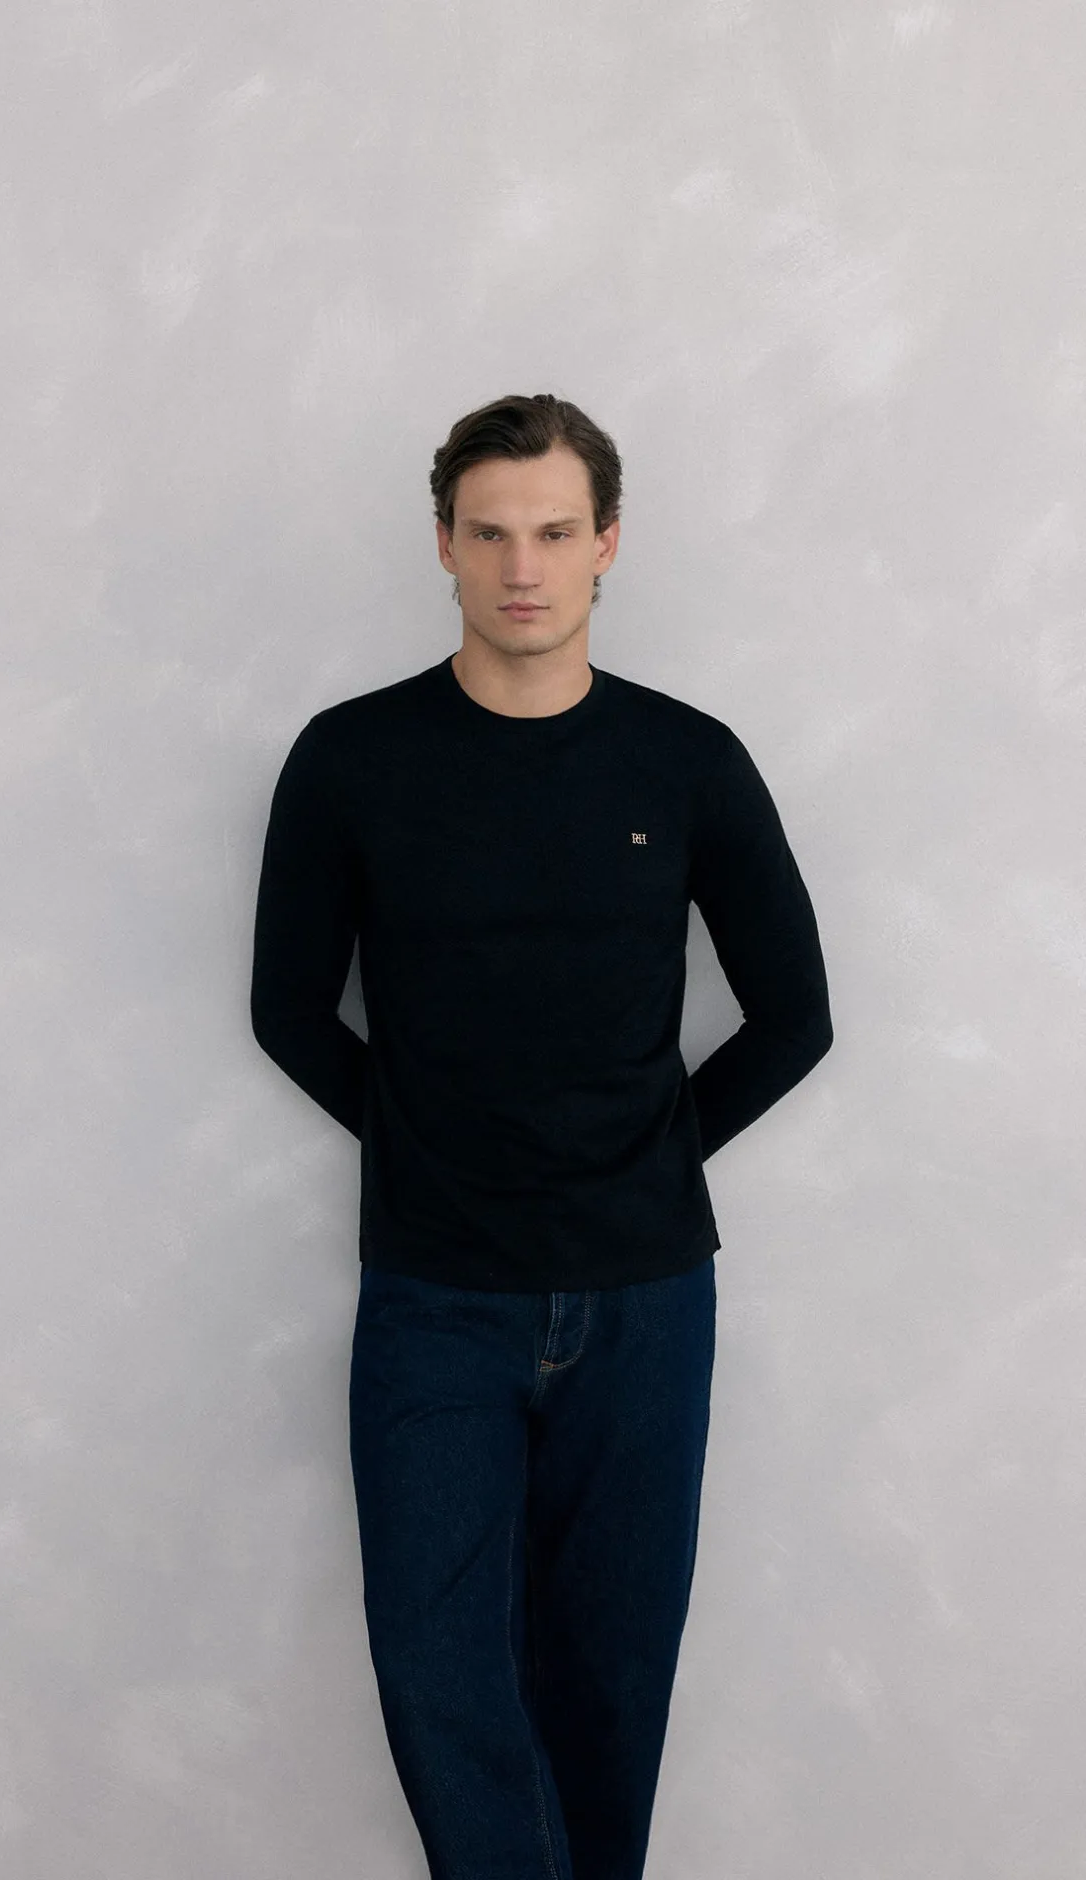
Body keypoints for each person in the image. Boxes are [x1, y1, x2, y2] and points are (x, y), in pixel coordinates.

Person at [250, 391, 833, 1880]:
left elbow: (796, 1018)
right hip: (435, 1297)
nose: (525, 568)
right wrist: (433, 1148)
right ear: (444, 543)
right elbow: (288, 1010)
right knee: (441, 1675)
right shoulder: (352, 760)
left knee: (609, 1686)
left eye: (557, 532)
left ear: (608, 544)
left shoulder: (687, 761)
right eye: (492, 533)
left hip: (647, 1298)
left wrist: (648, 1158)